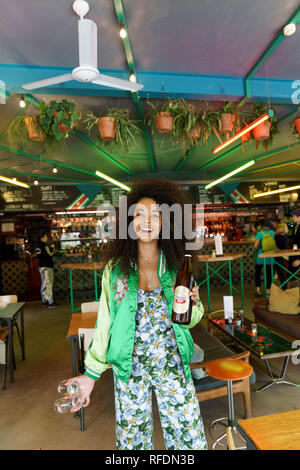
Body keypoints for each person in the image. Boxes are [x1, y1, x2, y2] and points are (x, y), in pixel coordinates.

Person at [66, 179, 207, 450]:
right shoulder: (116, 270)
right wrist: (91, 374)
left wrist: (193, 304)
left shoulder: (177, 265)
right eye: (139, 214)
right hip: (130, 371)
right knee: (132, 445)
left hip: (173, 365)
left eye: (155, 215)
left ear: (166, 223)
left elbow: (190, 319)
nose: (147, 220)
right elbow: (104, 324)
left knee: (189, 439)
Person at [34, 233, 57, 308]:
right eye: (46, 237)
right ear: (42, 238)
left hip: (41, 266)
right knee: (48, 284)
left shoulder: (37, 246)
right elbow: (50, 254)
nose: (47, 238)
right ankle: (50, 302)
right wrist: (53, 248)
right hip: (47, 266)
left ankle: (44, 301)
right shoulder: (44, 246)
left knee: (44, 284)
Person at [253, 219, 275, 297]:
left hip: (260, 257)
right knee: (269, 274)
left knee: (257, 274)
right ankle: (268, 291)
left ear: (259, 226)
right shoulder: (272, 232)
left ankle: (258, 291)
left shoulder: (259, 233)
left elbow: (255, 246)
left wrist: (256, 247)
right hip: (270, 257)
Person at [274, 223, 289, 289]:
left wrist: (275, 232)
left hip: (279, 256)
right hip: (285, 256)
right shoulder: (285, 236)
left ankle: (284, 287)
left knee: (281, 273)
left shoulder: (278, 237)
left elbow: (271, 236)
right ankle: (284, 287)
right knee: (282, 273)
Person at [289, 209, 300, 274]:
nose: (293, 218)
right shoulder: (295, 226)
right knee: (291, 269)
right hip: (294, 250)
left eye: (294, 216)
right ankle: (294, 282)